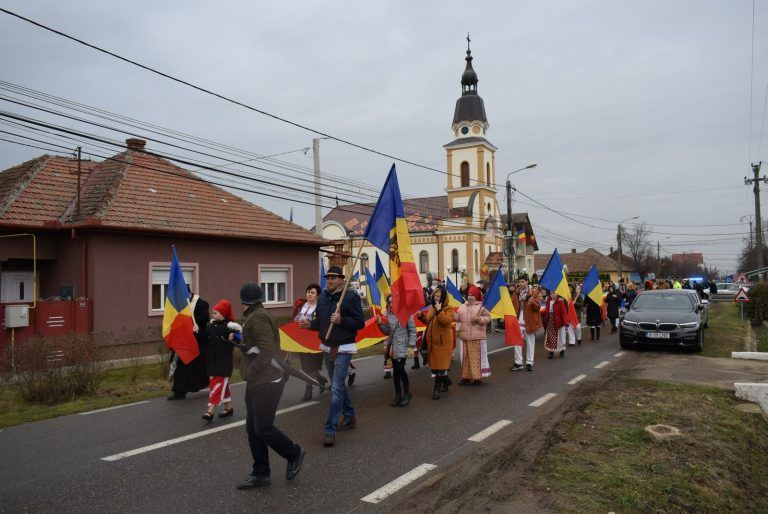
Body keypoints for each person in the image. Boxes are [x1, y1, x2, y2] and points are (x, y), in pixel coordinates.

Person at [235, 283, 304, 490]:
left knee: (263, 428)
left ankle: (293, 453)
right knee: (253, 429)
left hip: (267, 380)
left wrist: (251, 369)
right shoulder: (255, 315)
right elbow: (258, 346)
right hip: (258, 381)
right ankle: (261, 473)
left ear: (243, 300)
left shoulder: (257, 317)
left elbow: (267, 349)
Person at [299, 266, 365, 448]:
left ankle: (330, 429)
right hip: (327, 347)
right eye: (327, 278)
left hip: (344, 348)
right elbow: (320, 322)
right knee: (339, 387)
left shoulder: (350, 297)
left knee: (335, 388)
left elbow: (360, 322)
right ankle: (350, 416)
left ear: (342, 279)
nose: (329, 281)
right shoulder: (323, 298)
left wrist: (341, 320)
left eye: (333, 278)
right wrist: (309, 325)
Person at [168, 289, 209, 400]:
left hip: (198, 341)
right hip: (184, 341)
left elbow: (205, 319)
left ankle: (213, 382)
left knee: (200, 366)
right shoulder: (180, 306)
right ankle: (179, 391)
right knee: (181, 365)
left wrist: (189, 323)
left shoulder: (202, 304)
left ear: (190, 294)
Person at [202, 299, 239, 421]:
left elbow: (239, 341)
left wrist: (232, 339)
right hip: (212, 362)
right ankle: (229, 408)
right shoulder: (211, 326)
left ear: (223, 314)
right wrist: (196, 331)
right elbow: (204, 338)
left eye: (215, 313)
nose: (213, 315)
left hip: (224, 363)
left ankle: (210, 411)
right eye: (213, 313)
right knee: (222, 386)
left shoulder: (231, 327)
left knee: (216, 386)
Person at [417, 286, 456, 400]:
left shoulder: (449, 309)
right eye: (435, 296)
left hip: (443, 343)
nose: (436, 298)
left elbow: (445, 321)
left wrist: (439, 310)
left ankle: (437, 389)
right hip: (433, 342)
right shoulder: (432, 308)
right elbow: (430, 322)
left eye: (439, 296)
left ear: (443, 297)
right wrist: (421, 317)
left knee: (439, 367)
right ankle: (446, 380)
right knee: (435, 367)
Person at [377, 295, 417, 406]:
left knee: (400, 370)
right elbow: (387, 332)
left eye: (393, 302)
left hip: (403, 347)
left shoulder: (407, 315)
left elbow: (413, 331)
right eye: (390, 302)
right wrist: (380, 324)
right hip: (393, 348)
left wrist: (411, 346)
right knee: (396, 373)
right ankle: (398, 395)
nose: (391, 304)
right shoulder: (389, 316)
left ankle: (407, 393)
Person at [292, 284, 329, 402]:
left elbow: (322, 323)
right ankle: (321, 379)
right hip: (302, 341)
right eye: (308, 292)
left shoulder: (321, 308)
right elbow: (294, 320)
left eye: (312, 292)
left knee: (312, 364)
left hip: (315, 340)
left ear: (318, 296)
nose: (309, 294)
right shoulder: (301, 306)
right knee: (305, 366)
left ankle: (308, 389)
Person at [455, 285, 491, 385]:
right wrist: (451, 314)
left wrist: (479, 319)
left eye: (472, 295)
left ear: (476, 296)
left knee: (475, 358)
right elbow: (457, 318)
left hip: (477, 337)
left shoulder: (482, 306)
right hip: (465, 337)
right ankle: (465, 377)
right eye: (469, 295)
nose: (470, 297)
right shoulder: (462, 306)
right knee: (465, 358)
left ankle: (477, 378)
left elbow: (488, 318)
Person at [510, 288, 542, 371]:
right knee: (517, 343)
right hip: (518, 322)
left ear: (526, 282)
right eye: (519, 281)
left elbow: (538, 307)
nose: (521, 283)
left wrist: (532, 302)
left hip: (529, 322)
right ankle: (518, 363)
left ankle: (529, 362)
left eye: (523, 281)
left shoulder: (533, 292)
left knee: (530, 343)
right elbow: (511, 304)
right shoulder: (516, 293)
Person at [543, 289, 567, 358]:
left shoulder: (560, 302)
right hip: (550, 321)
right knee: (550, 337)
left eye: (554, 293)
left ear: (557, 294)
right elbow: (546, 311)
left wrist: (566, 322)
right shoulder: (548, 301)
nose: (552, 294)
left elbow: (563, 313)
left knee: (561, 336)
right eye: (551, 293)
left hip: (559, 321)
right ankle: (551, 352)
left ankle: (562, 351)